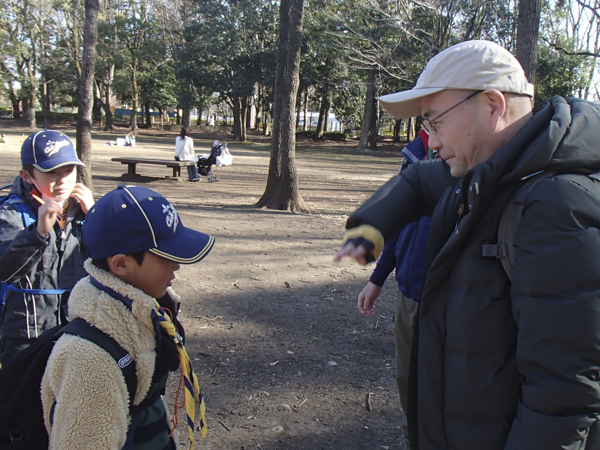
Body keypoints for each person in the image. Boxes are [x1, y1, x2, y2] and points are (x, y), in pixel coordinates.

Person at [335, 40, 600, 450]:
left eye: (435, 123)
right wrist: (370, 229)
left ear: (493, 106)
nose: (432, 142)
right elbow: (418, 181)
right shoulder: (491, 172)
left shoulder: (555, 206)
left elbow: (562, 396)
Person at [41, 185, 216, 449]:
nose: (177, 266)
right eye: (166, 257)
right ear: (121, 264)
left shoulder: (143, 310)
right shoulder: (90, 361)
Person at [357, 132, 430, 447]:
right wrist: (378, 278)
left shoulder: (469, 154)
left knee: (441, 386)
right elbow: (400, 223)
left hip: (445, 298)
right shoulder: (414, 155)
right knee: (407, 380)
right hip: (408, 295)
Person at [0, 130, 94, 363]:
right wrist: (38, 232)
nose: (63, 180)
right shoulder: (10, 214)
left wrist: (95, 217)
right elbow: (5, 270)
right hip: (26, 334)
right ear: (27, 175)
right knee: (24, 398)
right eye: (51, 172)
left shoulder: (83, 211)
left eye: (69, 170)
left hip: (78, 328)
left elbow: (111, 262)